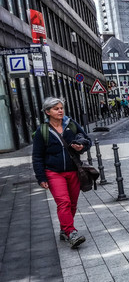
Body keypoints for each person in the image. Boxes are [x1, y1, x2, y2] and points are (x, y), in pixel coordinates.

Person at [32, 97, 92, 249]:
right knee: (63, 202)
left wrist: (81, 147)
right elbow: (37, 156)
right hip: (53, 172)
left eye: (61, 108)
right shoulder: (43, 131)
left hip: (73, 170)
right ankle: (71, 232)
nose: (60, 110)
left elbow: (87, 140)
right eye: (56, 108)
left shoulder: (70, 124)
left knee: (72, 204)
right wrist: (41, 177)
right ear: (47, 112)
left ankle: (64, 230)